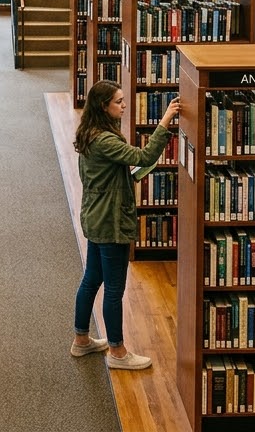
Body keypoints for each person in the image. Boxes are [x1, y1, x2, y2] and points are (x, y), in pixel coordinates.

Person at [71, 79, 179, 371]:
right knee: (115, 289)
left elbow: (108, 173)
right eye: (118, 101)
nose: (124, 105)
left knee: (92, 279)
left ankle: (81, 340)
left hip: (95, 216)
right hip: (111, 222)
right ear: (103, 107)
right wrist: (166, 120)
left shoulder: (90, 132)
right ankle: (118, 352)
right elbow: (143, 156)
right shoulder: (106, 140)